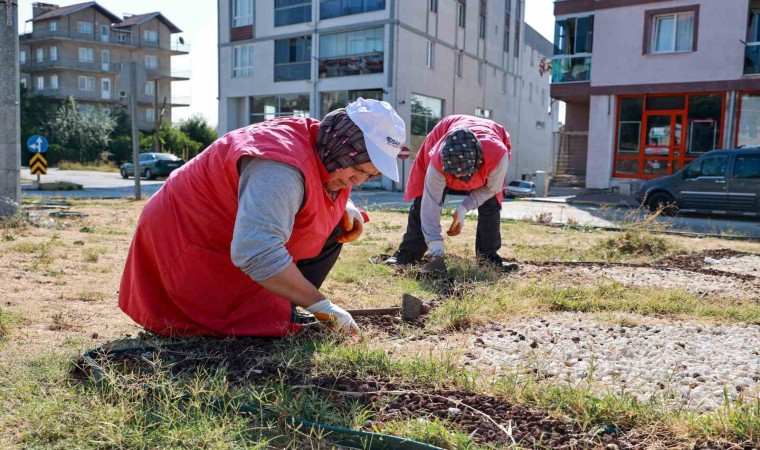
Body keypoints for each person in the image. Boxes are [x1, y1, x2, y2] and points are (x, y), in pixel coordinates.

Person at [119, 98, 406, 337]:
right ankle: (271, 307)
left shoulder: (320, 143)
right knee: (242, 314)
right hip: (186, 246)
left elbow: (308, 179)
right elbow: (255, 251)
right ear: (342, 148)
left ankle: (285, 304)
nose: (355, 181)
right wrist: (322, 306)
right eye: (357, 170)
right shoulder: (279, 168)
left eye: (368, 176)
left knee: (336, 226)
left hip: (227, 232)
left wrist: (345, 204)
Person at [385, 115, 516, 272]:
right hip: (444, 132)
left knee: (491, 203)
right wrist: (436, 247)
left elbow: (491, 189)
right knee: (422, 200)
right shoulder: (437, 161)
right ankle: (407, 255)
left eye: (463, 176)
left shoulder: (497, 156)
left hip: (490, 143)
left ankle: (489, 260)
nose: (459, 180)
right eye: (454, 175)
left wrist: (463, 208)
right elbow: (430, 204)